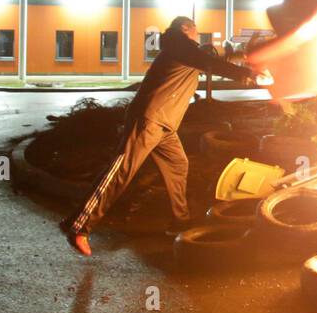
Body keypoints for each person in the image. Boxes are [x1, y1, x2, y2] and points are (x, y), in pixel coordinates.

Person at [60, 16, 253, 256]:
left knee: (178, 165)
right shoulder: (179, 45)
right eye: (196, 32)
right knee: (121, 171)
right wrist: (247, 75)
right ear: (187, 29)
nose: (197, 36)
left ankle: (179, 221)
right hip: (149, 120)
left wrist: (244, 59)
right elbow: (207, 59)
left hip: (164, 125)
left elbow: (211, 59)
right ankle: (78, 226)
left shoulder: (184, 51)